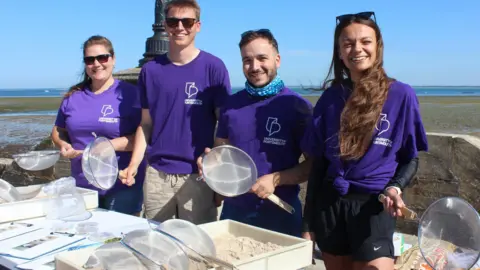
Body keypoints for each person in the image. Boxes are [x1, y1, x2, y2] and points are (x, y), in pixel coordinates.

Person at [301, 12, 428, 270]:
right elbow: (318, 166)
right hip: (331, 206)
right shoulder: (330, 99)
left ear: (377, 47)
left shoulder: (401, 95)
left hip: (373, 206)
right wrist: (308, 225)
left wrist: (395, 187)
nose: (357, 49)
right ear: (339, 52)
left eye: (365, 42)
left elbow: (410, 158)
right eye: (348, 43)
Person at [119, 0, 231, 224]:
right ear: (165, 25)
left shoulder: (214, 67)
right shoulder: (150, 71)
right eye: (173, 21)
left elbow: (225, 126)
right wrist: (133, 164)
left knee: (200, 247)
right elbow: (146, 124)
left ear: (197, 26)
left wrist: (218, 172)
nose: (180, 27)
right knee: (158, 245)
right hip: (157, 175)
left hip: (198, 176)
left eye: (187, 21)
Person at [196, 29, 313, 237]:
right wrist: (209, 162)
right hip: (234, 212)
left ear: (277, 60)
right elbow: (222, 152)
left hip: (281, 212)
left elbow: (313, 165)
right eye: (247, 60)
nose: (255, 67)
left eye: (262, 58)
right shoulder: (231, 105)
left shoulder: (298, 106)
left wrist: (275, 179)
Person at [51, 35, 146, 216]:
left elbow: (144, 136)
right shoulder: (73, 97)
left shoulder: (131, 95)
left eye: (103, 58)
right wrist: (63, 144)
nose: (97, 64)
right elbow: (58, 131)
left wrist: (103, 147)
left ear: (113, 59)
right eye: (90, 60)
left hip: (121, 185)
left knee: (117, 239)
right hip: (82, 186)